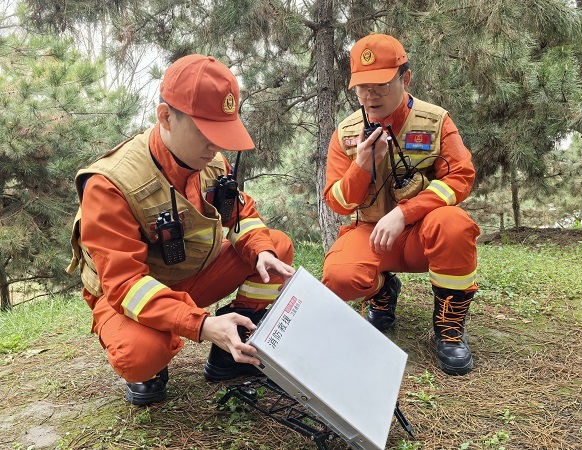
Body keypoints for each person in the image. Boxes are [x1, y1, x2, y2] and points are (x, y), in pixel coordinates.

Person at [67, 54, 295, 405]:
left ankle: (236, 344)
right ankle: (153, 362)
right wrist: (200, 325)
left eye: (223, 132)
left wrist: (261, 251)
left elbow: (241, 215)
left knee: (275, 247)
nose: (216, 145)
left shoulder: (211, 162)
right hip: (130, 294)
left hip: (187, 276)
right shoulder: (110, 184)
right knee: (140, 354)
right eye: (206, 133)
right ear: (165, 117)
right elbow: (125, 285)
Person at [322, 33, 480, 376]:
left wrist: (405, 212)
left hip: (424, 234)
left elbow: (461, 177)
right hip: (372, 234)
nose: (370, 95)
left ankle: (449, 327)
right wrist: (361, 165)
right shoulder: (346, 133)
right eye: (362, 87)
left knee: (454, 224)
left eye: (380, 84)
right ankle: (382, 291)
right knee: (338, 277)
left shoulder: (435, 121)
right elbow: (337, 201)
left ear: (405, 79)